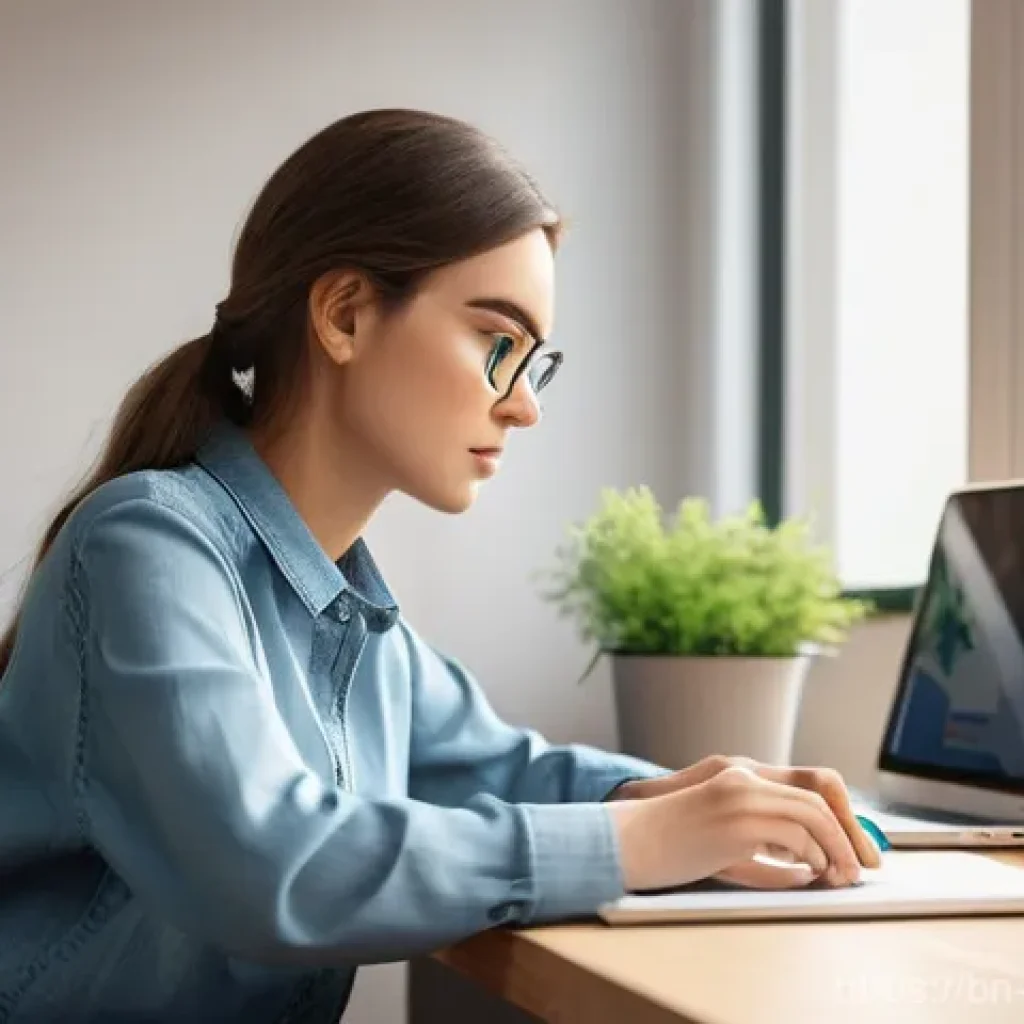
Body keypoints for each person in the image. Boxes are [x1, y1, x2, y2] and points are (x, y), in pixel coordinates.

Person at [0, 108, 881, 1024]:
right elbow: (272, 862)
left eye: (535, 365)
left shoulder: (356, 624)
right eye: (499, 344)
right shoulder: (147, 546)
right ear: (344, 314)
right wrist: (641, 838)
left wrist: (689, 796)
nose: (524, 407)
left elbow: (504, 768)